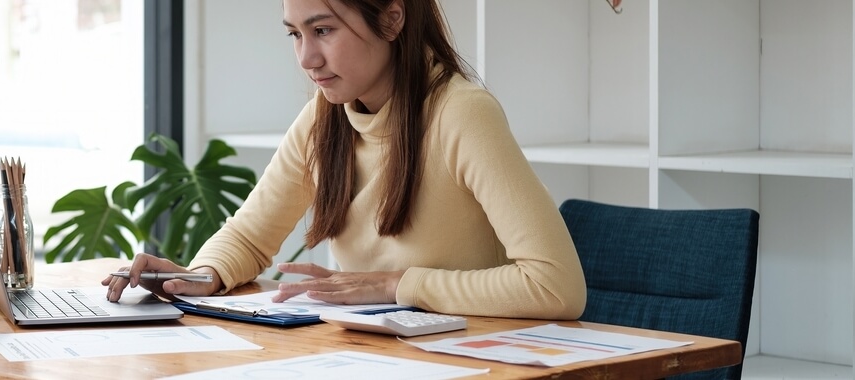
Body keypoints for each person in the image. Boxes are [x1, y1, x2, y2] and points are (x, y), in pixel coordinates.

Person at [104, 0, 586, 320]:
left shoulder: (462, 114)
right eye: (294, 34)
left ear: (392, 19)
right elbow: (251, 236)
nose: (306, 57)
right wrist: (198, 276)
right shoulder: (325, 118)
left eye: (323, 30)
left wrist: (396, 285)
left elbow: (557, 286)